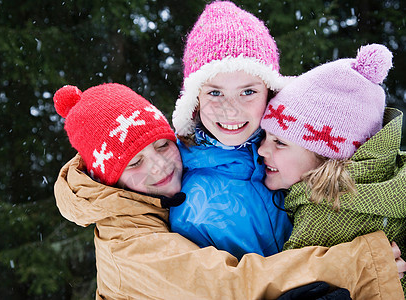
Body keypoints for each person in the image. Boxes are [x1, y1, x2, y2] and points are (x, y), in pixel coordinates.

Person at [53, 83, 405, 299]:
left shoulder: (159, 195)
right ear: (108, 177)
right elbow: (229, 287)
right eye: (134, 163)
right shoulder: (127, 245)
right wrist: (360, 264)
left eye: (162, 146)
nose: (159, 167)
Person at [258, 43, 406, 295]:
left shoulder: (323, 219)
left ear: (326, 156)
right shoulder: (390, 178)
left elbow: (284, 289)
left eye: (279, 142)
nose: (261, 150)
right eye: (265, 136)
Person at [169, 0, 291, 260]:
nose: (231, 110)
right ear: (195, 99)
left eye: (248, 91)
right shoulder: (185, 192)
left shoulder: (301, 150)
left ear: (270, 92)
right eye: (215, 92)